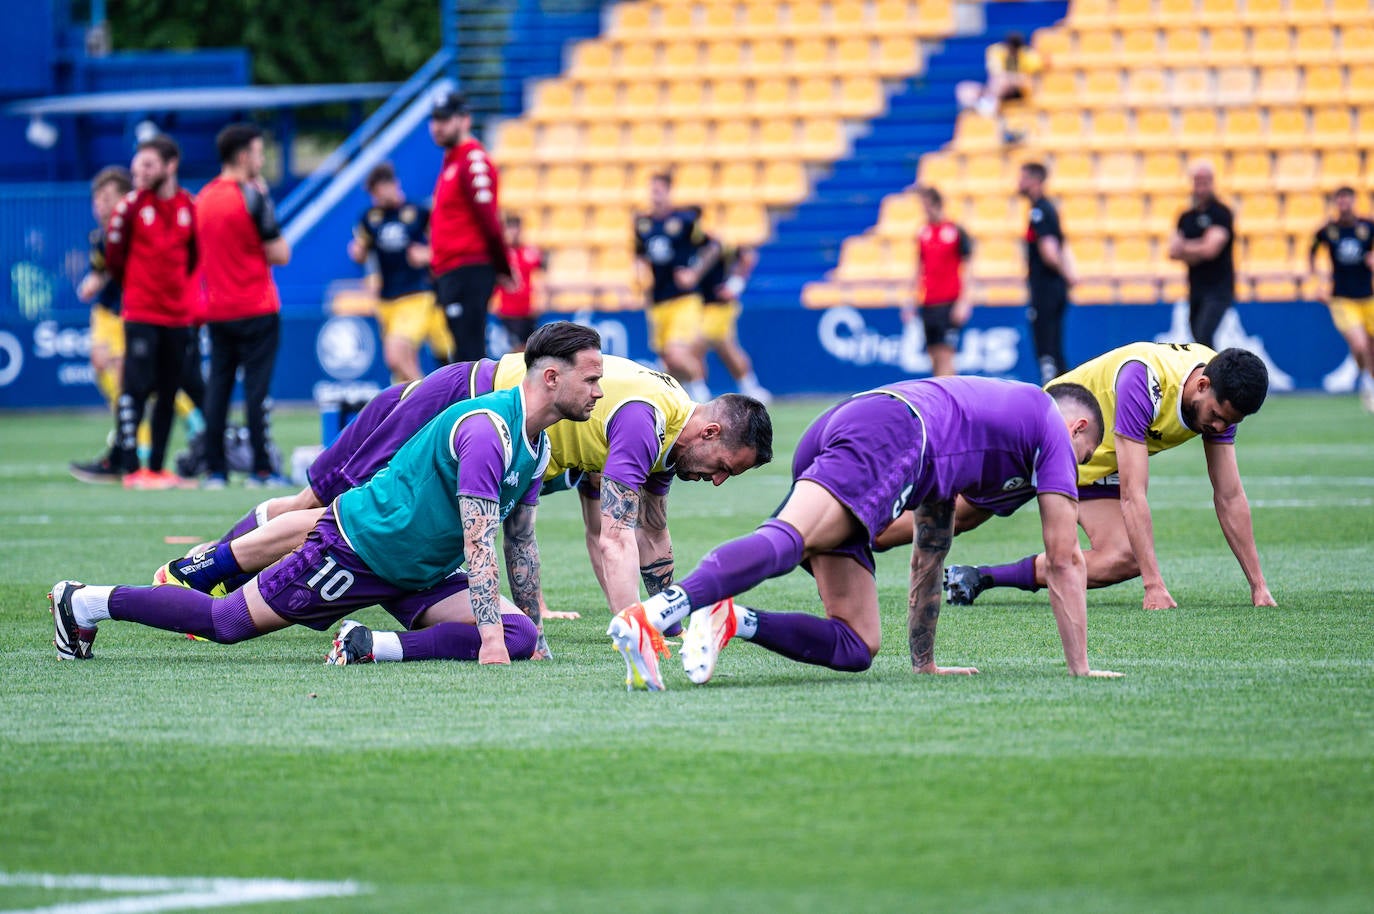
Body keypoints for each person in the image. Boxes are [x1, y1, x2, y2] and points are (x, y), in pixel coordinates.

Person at [50, 323, 606, 666]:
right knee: (225, 624)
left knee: (517, 632)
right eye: (592, 379)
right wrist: (487, 644)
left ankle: (370, 646)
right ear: (551, 379)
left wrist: (529, 636)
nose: (600, 391)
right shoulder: (491, 432)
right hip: (357, 550)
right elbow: (480, 545)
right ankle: (86, 601)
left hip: (420, 570)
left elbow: (520, 545)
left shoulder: (537, 445)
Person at [153, 350, 772, 626]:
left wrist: (671, 609)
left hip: (497, 425)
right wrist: (633, 627)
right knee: (322, 507)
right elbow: (611, 538)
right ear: (711, 430)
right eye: (726, 465)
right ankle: (197, 570)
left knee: (347, 520)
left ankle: (210, 578)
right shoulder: (644, 421)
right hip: (457, 402)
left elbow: (648, 531)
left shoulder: (666, 435)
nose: (718, 480)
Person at [606, 378, 1122, 691]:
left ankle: (730, 619)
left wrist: (925, 664)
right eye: (1084, 456)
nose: (1074, 471)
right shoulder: (1049, 426)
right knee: (789, 540)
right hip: (894, 428)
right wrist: (1079, 668)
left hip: (868, 424)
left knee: (857, 645)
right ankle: (652, 615)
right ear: (1075, 429)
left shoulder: (973, 443)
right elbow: (1065, 559)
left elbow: (930, 551)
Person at [877, 344, 1275, 611]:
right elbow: (1134, 494)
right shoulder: (1145, 380)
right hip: (1051, 440)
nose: (1219, 427)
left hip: (1096, 462)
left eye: (1229, 422)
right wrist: (1154, 587)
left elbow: (1229, 495)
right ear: (1202, 385)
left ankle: (981, 578)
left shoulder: (1220, 387)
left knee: (1127, 557)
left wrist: (1258, 585)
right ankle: (858, 529)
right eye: (1217, 416)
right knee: (957, 518)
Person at [196, 123, 291, 489]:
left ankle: (215, 470)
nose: (261, 158)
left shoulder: (202, 198)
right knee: (256, 390)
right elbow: (280, 253)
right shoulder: (252, 196)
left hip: (218, 309)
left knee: (217, 390)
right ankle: (262, 469)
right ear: (242, 156)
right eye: (257, 151)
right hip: (257, 307)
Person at [102, 135, 198, 490]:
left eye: (147, 165)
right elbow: (114, 259)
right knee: (136, 388)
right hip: (141, 312)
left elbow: (193, 257)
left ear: (169, 166)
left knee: (169, 392)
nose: (137, 172)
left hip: (177, 317)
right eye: (136, 165)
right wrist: (141, 288)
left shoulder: (190, 206)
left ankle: (156, 468)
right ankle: (130, 467)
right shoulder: (129, 207)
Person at [429, 90, 512, 362]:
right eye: (434, 120)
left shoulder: (472, 160)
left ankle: (478, 404)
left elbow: (488, 217)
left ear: (465, 120)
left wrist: (502, 266)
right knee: (461, 350)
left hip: (469, 268)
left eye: (444, 119)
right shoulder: (452, 161)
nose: (437, 126)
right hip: (452, 270)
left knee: (469, 351)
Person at [349, 161, 451, 382]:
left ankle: (431, 400)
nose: (378, 197)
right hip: (386, 300)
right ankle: (414, 410)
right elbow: (362, 251)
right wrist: (358, 252)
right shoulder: (370, 218)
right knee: (401, 368)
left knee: (395, 356)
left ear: (394, 184)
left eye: (381, 190)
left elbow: (445, 246)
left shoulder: (417, 212)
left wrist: (427, 254)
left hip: (415, 295)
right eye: (374, 193)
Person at [69, 166, 134, 483]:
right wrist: (90, 282)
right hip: (107, 311)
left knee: (131, 379)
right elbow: (101, 270)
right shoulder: (100, 237)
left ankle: (135, 443)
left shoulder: (136, 230)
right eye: (97, 197)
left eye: (107, 197)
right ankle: (125, 434)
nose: (100, 203)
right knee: (102, 366)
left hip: (134, 312)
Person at [634, 172, 716, 401]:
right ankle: (685, 398)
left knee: (676, 353)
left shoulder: (686, 221)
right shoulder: (642, 223)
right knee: (667, 360)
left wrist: (694, 273)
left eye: (659, 191)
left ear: (669, 192)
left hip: (684, 298)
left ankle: (702, 392)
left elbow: (712, 246)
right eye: (653, 191)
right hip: (658, 299)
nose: (655, 196)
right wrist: (640, 276)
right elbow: (639, 255)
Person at [1308, 186, 1374, 413]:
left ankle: (1370, 385)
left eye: (1348, 201)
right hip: (1342, 299)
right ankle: (1366, 379)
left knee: (1371, 345)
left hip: (1369, 297)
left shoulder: (1367, 227)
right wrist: (1317, 282)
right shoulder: (1329, 230)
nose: (1344, 205)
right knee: (1360, 343)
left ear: (1353, 201)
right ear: (1337, 203)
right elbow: (1312, 250)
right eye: (1340, 201)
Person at [692, 218, 772, 403]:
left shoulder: (716, 243)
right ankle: (747, 386)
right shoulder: (685, 244)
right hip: (699, 305)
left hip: (718, 305)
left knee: (700, 347)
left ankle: (701, 390)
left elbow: (748, 257)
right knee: (723, 349)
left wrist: (735, 286)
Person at [905, 186, 973, 378]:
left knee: (946, 353)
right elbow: (919, 267)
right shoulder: (923, 232)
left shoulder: (955, 231)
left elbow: (967, 268)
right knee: (933, 354)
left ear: (935, 204)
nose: (924, 210)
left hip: (950, 301)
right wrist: (909, 300)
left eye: (926, 205)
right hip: (928, 301)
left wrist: (964, 301)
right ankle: (938, 401)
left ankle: (952, 400)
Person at [1168, 161, 1235, 350]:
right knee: (1198, 336)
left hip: (1218, 288)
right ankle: (1210, 375)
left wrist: (1187, 248)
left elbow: (1210, 250)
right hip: (1196, 288)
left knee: (1205, 334)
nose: (1201, 187)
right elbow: (1173, 251)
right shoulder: (1185, 216)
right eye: (1197, 181)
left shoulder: (1221, 213)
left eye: (1205, 181)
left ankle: (1212, 376)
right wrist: (1198, 248)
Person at [1020, 161, 1075, 385]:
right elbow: (1063, 244)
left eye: (1023, 177)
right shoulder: (1048, 208)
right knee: (1055, 348)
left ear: (1035, 181)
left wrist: (1066, 273)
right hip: (1054, 287)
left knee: (1047, 350)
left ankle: (1056, 402)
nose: (1019, 183)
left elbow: (1050, 252)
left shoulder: (1039, 212)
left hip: (1046, 288)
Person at [955, 32, 1044, 142]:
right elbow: (995, 72)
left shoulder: (1028, 56)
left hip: (1019, 92)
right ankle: (985, 103)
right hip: (996, 89)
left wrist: (1014, 78)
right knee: (963, 88)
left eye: (1016, 50)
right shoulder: (997, 52)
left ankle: (988, 105)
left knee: (1003, 79)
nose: (1013, 52)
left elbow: (1036, 70)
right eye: (1011, 49)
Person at [490, 213, 543, 352]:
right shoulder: (500, 254)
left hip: (528, 309)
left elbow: (539, 276)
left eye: (516, 228)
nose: (513, 232)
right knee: (518, 348)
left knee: (529, 347)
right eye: (510, 228)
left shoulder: (530, 252)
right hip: (508, 310)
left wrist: (540, 299)